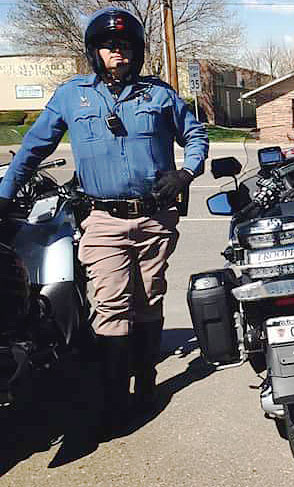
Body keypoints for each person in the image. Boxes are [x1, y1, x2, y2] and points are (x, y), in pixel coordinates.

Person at [0, 7, 208, 434]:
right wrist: (2, 198)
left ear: (138, 52)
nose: (120, 53)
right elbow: (32, 150)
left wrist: (186, 172)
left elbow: (196, 135)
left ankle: (147, 380)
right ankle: (115, 395)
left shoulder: (159, 95)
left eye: (127, 46)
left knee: (149, 298)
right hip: (103, 219)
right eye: (110, 46)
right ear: (94, 52)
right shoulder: (71, 96)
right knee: (112, 304)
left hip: (155, 218)